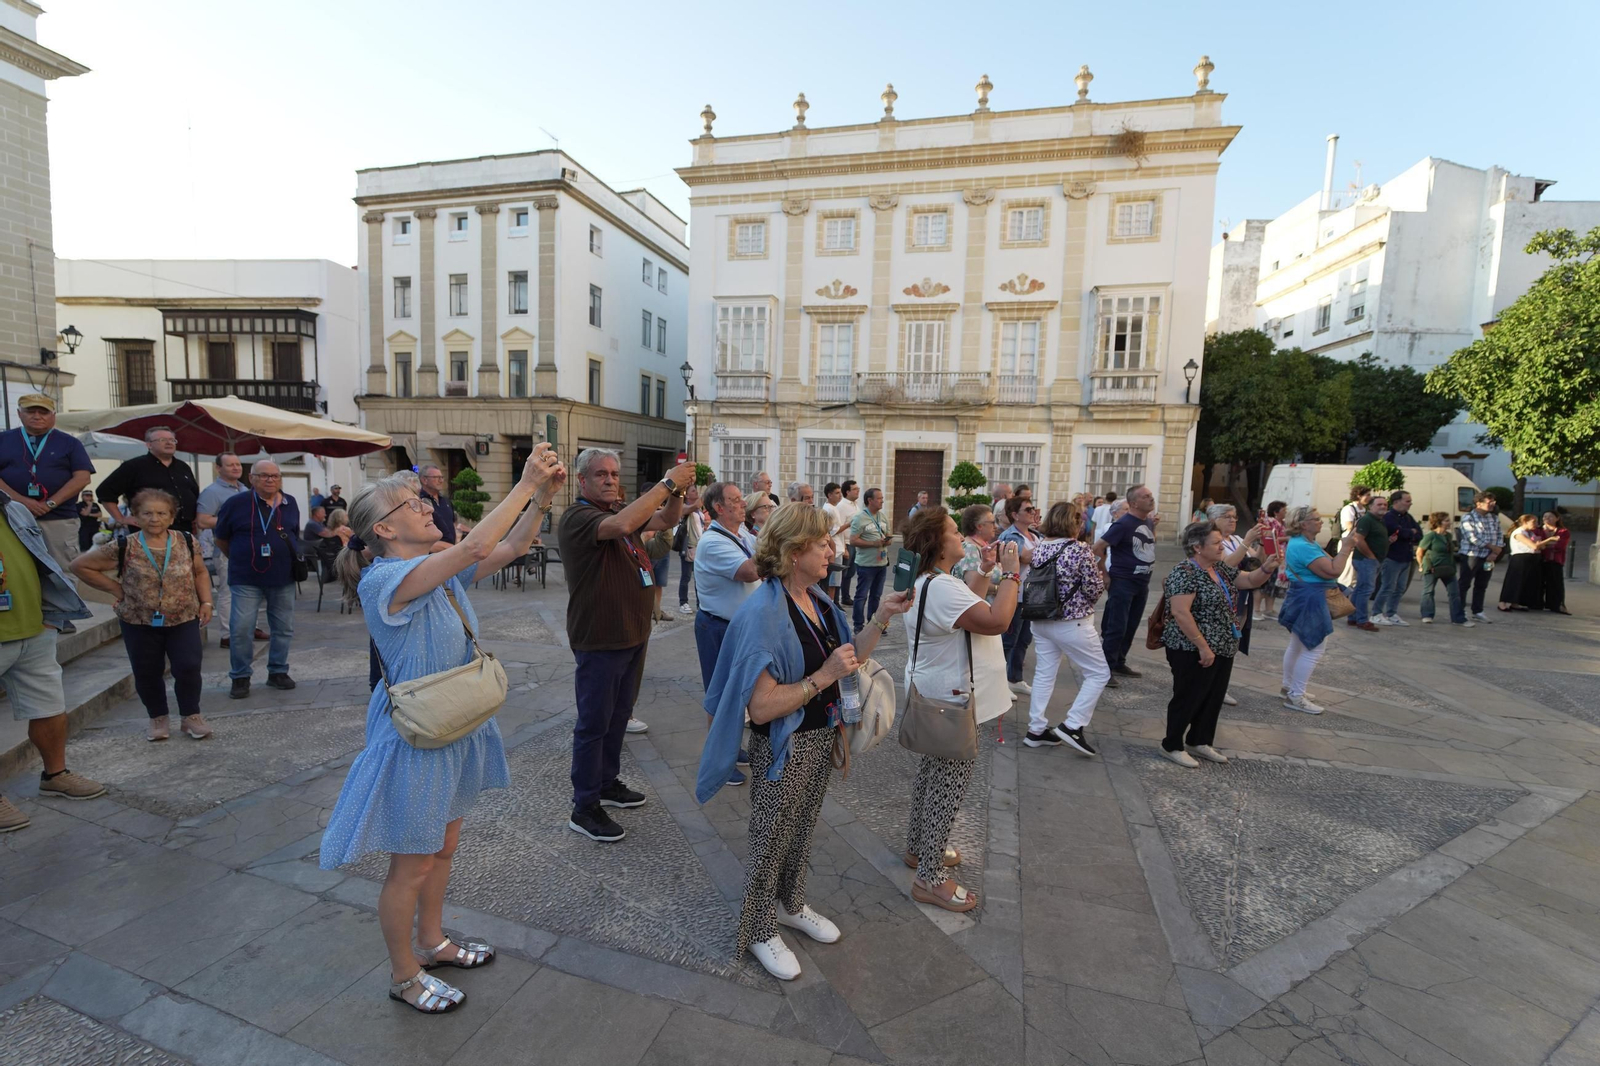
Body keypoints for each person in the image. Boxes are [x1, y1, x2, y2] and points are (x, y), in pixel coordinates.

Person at [319, 445, 563, 1015]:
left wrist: (542, 498)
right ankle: (405, 975)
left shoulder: (439, 567)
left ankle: (432, 941)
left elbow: (513, 546)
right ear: (384, 527)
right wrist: (525, 482)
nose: (429, 506)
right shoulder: (387, 580)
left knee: (442, 844)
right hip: (416, 734)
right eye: (414, 503)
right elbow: (478, 543)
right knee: (412, 861)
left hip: (451, 721)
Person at [697, 503, 913, 980]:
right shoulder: (763, 614)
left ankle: (791, 904)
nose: (831, 549)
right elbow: (761, 707)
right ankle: (757, 930)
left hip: (818, 738)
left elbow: (849, 657)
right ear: (796, 552)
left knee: (801, 828)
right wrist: (822, 677)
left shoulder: (816, 600)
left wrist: (880, 616)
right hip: (784, 745)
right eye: (822, 544)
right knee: (769, 839)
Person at [559, 449, 695, 843]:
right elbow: (620, 526)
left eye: (615, 473)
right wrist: (669, 482)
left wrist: (679, 492)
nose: (610, 480)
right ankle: (584, 807)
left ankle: (606, 782)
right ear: (582, 480)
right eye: (600, 474)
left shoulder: (621, 513)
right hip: (600, 638)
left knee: (618, 717)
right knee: (593, 724)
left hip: (632, 635)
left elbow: (669, 519)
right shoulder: (579, 518)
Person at [897, 508, 1017, 912]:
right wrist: (1012, 575)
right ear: (937, 543)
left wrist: (984, 571)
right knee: (948, 787)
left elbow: (968, 601)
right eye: (953, 532)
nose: (961, 537)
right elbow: (996, 619)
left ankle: (919, 848)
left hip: (934, 690)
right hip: (950, 698)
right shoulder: (941, 587)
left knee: (932, 775)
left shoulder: (929, 581)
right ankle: (929, 878)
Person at [72, 489, 214, 742]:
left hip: (183, 616)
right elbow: (79, 566)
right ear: (135, 517)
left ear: (171, 517)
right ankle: (158, 717)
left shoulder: (187, 540)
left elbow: (200, 572)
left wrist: (207, 602)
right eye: (147, 513)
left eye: (162, 513)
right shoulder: (124, 545)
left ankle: (191, 716)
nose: (155, 518)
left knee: (189, 667)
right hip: (138, 620)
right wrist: (116, 589)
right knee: (147, 670)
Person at [0, 489, 103, 833]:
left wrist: (48, 620)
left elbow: (39, 559)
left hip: (33, 628)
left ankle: (55, 775)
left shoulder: (13, 508)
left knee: (50, 709)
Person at [1159, 521, 1279, 767]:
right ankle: (1171, 744)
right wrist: (1203, 646)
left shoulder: (1220, 569)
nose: (1222, 545)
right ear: (1197, 547)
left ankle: (1200, 740)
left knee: (1213, 696)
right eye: (1215, 542)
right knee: (1189, 696)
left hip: (1222, 645)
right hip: (1190, 647)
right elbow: (1181, 613)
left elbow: (1248, 580)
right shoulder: (1184, 572)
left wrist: (1266, 568)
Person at [1022, 501, 1109, 754]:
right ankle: (1073, 725)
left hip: (1041, 619)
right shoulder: (1080, 549)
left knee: (1044, 673)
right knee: (1098, 673)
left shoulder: (1039, 547)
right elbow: (1094, 588)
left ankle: (1035, 729)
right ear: (1075, 523)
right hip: (1072, 622)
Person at [213, 460, 301, 698]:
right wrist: (240, 557)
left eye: (275, 476)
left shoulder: (289, 503)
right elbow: (221, 538)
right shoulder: (235, 503)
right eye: (263, 476)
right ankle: (240, 676)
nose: (270, 480)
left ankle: (278, 672)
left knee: (283, 628)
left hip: (283, 576)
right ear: (251, 479)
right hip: (246, 577)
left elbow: (293, 533)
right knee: (241, 629)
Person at [692, 480, 760, 785]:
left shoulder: (739, 533)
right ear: (719, 508)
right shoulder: (714, 541)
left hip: (736, 627)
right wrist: (778, 542)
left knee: (739, 692)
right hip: (718, 627)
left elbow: (757, 554)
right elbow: (750, 570)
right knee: (721, 695)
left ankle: (731, 749)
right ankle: (720, 760)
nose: (743, 503)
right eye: (735, 500)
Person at [1277, 505, 1364, 714]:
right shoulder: (1304, 546)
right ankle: (1296, 696)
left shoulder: (1305, 542)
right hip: (1310, 598)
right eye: (1316, 519)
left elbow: (1330, 564)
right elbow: (1333, 569)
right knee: (1314, 647)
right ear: (1303, 524)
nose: (1321, 521)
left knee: (1298, 645)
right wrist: (1346, 548)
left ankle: (1289, 687)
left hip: (1304, 596)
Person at [0, 394, 95, 573]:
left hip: (58, 518)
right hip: (11, 517)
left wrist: (50, 503)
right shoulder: (3, 440)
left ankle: (61, 603)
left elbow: (82, 477)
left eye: (43, 412)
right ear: (19, 414)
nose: (37, 416)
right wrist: (21, 501)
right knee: (14, 570)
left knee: (62, 571)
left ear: (53, 415)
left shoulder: (70, 443)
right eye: (30, 411)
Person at [1094, 483, 1160, 686]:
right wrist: (1104, 572)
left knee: (1131, 625)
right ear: (1133, 503)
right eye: (1146, 496)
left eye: (1151, 495)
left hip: (1142, 582)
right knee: (1117, 626)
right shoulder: (1123, 524)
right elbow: (1097, 548)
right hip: (1123, 582)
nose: (1151, 498)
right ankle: (1104, 670)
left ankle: (1119, 661)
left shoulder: (1146, 522)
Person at [195, 453, 258, 649]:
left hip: (250, 548)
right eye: (230, 465)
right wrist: (235, 520)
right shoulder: (212, 492)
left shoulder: (246, 489)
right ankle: (227, 634)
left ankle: (250, 627)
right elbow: (203, 520)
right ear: (218, 468)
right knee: (228, 592)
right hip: (226, 549)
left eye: (238, 464)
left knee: (252, 590)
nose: (236, 468)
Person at [98, 426, 201, 535]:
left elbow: (194, 493)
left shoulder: (183, 467)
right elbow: (104, 491)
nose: (169, 443)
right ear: (149, 444)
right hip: (150, 530)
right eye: (162, 440)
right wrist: (121, 518)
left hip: (184, 529)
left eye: (172, 440)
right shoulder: (134, 466)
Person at [998, 496, 1038, 694]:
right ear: (1015, 515)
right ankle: (999, 681)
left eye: (1033, 509)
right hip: (1017, 593)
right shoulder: (1011, 536)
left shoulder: (1034, 535)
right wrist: (1048, 548)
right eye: (1028, 509)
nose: (1033, 512)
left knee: (1024, 639)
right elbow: (1023, 557)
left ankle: (1015, 678)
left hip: (1032, 595)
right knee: (1009, 640)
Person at [1370, 491, 1422, 625]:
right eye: (1407, 501)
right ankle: (1376, 613)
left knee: (1400, 588)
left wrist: (1408, 533)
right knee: (1387, 586)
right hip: (1392, 557)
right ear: (1396, 502)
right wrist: (1409, 532)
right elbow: (1398, 532)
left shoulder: (1408, 518)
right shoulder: (1389, 517)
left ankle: (1392, 613)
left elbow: (1419, 534)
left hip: (1406, 557)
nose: (1410, 504)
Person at [1416, 512, 1472, 627]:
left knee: (1454, 593)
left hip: (1448, 568)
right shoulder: (1431, 536)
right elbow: (1419, 552)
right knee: (1429, 591)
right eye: (1446, 520)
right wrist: (1421, 565)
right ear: (1439, 522)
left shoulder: (1448, 536)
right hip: (1432, 567)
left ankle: (1458, 618)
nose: (1449, 522)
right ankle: (1427, 614)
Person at [1457, 491, 1505, 622]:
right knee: (1464, 583)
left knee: (1482, 585)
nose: (1492, 505)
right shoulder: (1468, 518)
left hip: (1488, 557)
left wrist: (1495, 552)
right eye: (1489, 502)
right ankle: (1459, 610)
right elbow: (1472, 537)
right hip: (1472, 556)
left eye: (1494, 502)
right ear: (1479, 503)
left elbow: (1499, 534)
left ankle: (1477, 611)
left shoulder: (1493, 518)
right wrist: (1491, 547)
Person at [848, 488, 891, 632]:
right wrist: (873, 543)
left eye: (882, 498)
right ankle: (858, 625)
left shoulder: (882, 517)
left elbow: (888, 533)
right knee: (861, 596)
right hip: (866, 565)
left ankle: (873, 624)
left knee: (876, 596)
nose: (882, 501)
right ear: (870, 500)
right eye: (879, 498)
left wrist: (887, 540)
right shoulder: (860, 518)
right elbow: (853, 540)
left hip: (881, 563)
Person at [1345, 494, 1389, 631]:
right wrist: (1370, 556)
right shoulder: (1367, 520)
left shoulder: (1379, 520)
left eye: (1385, 504)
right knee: (1366, 590)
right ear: (1370, 507)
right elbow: (1358, 539)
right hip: (1365, 560)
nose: (1383, 507)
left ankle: (1352, 617)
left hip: (1372, 560)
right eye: (1379, 504)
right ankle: (1362, 620)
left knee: (1360, 589)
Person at [1497, 514, 1548, 612]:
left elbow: (1541, 547)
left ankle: (1515, 602)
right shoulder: (1519, 532)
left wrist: (1541, 544)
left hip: (1530, 558)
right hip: (1519, 558)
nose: (1536, 524)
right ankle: (1503, 602)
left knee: (1524, 581)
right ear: (1525, 522)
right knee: (1513, 580)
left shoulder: (1530, 533)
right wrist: (1549, 540)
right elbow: (1534, 546)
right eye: (1534, 522)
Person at [952, 504, 1000, 597]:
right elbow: (974, 587)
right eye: (992, 522)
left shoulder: (982, 546)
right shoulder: (970, 549)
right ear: (979, 526)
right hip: (979, 609)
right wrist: (999, 589)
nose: (996, 526)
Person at [1258, 501, 1288, 620]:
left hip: (1280, 556)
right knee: (1266, 582)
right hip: (1272, 554)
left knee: (1274, 583)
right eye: (1284, 510)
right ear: (1276, 512)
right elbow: (1270, 537)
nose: (1286, 512)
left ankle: (1269, 609)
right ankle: (1258, 608)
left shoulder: (1283, 523)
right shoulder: (1270, 522)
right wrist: (1287, 538)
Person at [677, 485, 703, 615]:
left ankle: (700, 604)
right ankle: (683, 602)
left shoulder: (699, 511)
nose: (696, 492)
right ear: (687, 495)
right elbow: (689, 509)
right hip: (689, 546)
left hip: (699, 547)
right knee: (686, 576)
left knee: (699, 577)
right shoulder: (685, 507)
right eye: (693, 491)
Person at [1540, 512, 1571, 615]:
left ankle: (1556, 605)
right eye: (1545, 516)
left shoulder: (1563, 531)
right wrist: (1550, 542)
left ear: (1557, 518)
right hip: (1539, 560)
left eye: (1550, 516)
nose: (1547, 518)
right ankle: (1537, 603)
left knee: (1556, 583)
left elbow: (1560, 546)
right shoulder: (1539, 530)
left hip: (1555, 561)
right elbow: (1536, 545)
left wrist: (1544, 544)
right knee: (1538, 583)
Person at [834, 480, 860, 605]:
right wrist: (844, 547)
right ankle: (837, 599)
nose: (857, 490)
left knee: (850, 572)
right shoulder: (842, 506)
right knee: (842, 573)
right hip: (847, 542)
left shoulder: (855, 505)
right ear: (847, 492)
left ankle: (846, 596)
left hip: (855, 543)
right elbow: (840, 528)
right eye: (854, 489)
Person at [418, 465, 457, 545]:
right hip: (432, 551)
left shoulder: (446, 500)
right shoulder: (419, 501)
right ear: (424, 480)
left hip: (450, 549)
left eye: (442, 477)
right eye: (436, 477)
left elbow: (453, 522)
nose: (441, 481)